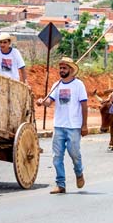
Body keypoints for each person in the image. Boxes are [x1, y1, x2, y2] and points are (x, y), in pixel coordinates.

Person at [36, 57, 88, 194]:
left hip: (74, 126)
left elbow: (84, 105)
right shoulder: (56, 85)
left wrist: (84, 125)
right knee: (56, 156)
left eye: (64, 68)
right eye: (60, 68)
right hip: (59, 125)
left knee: (74, 154)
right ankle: (60, 184)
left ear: (71, 70)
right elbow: (49, 102)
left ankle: (79, 172)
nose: (62, 70)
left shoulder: (79, 85)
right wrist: (42, 102)